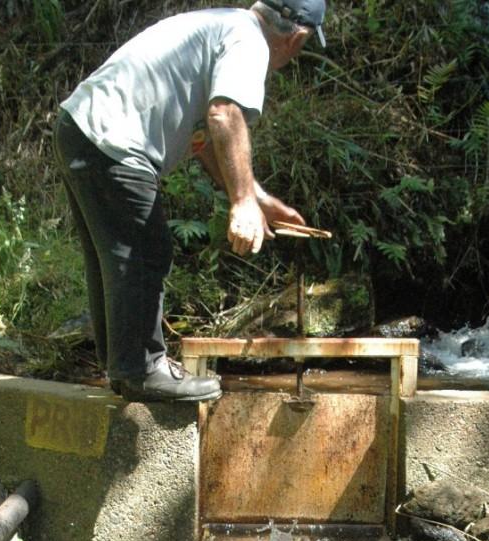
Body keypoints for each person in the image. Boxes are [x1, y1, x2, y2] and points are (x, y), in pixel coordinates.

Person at [53, 0, 326, 403]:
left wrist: (257, 197)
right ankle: (142, 370)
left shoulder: (225, 26)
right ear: (297, 37)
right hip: (114, 140)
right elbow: (224, 115)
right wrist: (241, 204)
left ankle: (124, 369)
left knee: (113, 259)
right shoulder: (249, 41)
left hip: (82, 127)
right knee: (146, 252)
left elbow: (204, 141)